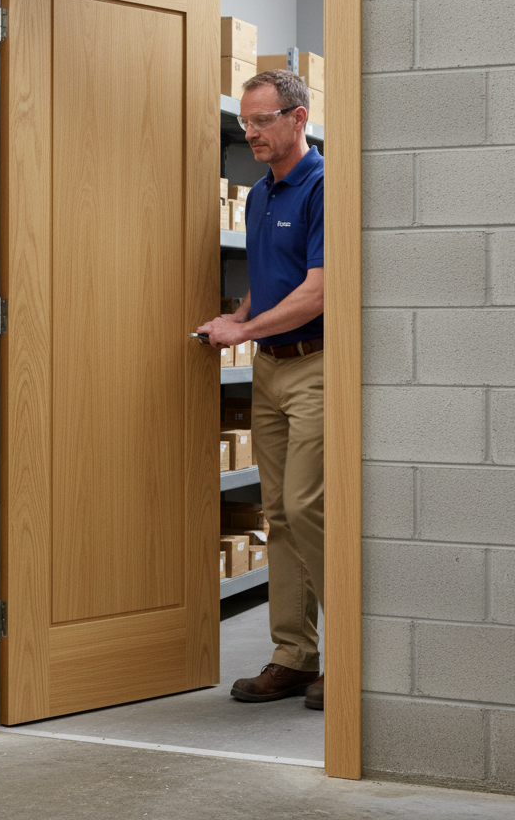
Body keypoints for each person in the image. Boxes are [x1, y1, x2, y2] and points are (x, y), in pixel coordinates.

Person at [197, 69, 325, 711]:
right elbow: (273, 284)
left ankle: (353, 654)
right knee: (277, 515)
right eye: (245, 122)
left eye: (262, 120)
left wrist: (243, 327)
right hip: (270, 368)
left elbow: (318, 292)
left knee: (307, 506)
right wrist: (241, 320)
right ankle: (295, 656)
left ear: (298, 117)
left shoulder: (323, 186)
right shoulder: (259, 194)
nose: (249, 133)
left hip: (316, 366)